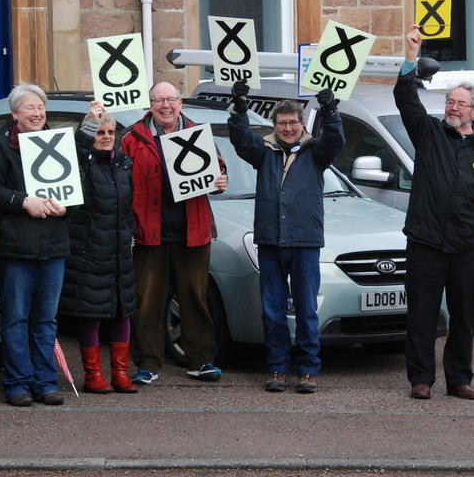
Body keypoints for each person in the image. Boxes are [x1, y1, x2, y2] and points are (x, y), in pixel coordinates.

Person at [395, 26, 474, 400]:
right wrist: (411, 57)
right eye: (449, 101)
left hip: (470, 248)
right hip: (427, 242)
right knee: (423, 315)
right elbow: (405, 98)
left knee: (463, 316)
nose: (452, 107)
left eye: (460, 103)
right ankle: (421, 379)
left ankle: (459, 378)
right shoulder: (428, 133)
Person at [227, 82, 344, 394]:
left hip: (305, 241)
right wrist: (238, 107)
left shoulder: (315, 152)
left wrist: (331, 110)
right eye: (282, 123)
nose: (289, 128)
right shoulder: (263, 152)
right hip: (270, 241)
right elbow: (240, 139)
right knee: (273, 309)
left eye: (294, 122)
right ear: (274, 126)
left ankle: (308, 369)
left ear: (302, 124)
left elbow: (335, 139)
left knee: (307, 309)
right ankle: (278, 367)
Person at [121, 81, 228, 385]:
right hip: (148, 233)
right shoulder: (132, 138)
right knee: (148, 300)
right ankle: (148, 363)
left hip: (193, 232)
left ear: (181, 103)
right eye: (159, 100)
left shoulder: (198, 133)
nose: (165, 106)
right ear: (150, 105)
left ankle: (201, 361)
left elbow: (218, 171)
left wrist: (222, 180)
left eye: (171, 100)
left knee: (194, 298)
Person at [0, 83, 70, 407]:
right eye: (29, 108)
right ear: (15, 114)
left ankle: (45, 382)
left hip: (53, 246)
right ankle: (17, 383)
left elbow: (76, 184)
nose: (37, 113)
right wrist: (22, 201)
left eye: (40, 107)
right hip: (14, 247)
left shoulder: (58, 143)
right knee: (16, 318)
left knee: (46, 320)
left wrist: (66, 205)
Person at [59, 100, 139, 394]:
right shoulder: (83, 163)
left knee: (122, 311)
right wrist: (89, 123)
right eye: (100, 132)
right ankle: (93, 375)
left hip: (119, 250)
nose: (106, 137)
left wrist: (131, 236)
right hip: (89, 250)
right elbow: (76, 151)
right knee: (90, 313)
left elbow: (128, 207)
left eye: (110, 131)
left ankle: (120, 373)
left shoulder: (123, 164)